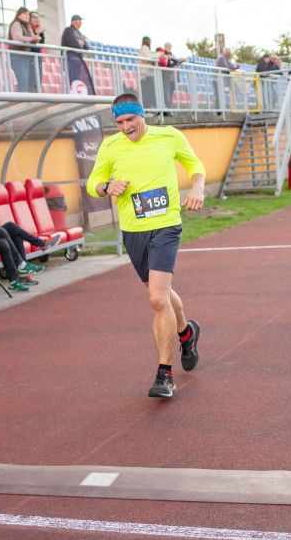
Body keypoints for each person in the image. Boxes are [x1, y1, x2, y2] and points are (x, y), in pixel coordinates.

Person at [86, 93, 206, 399]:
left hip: (165, 225)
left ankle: (164, 375)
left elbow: (195, 165)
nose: (126, 127)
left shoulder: (169, 136)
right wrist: (105, 187)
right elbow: (93, 182)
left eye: (130, 119)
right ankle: (186, 333)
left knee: (156, 298)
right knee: (160, 294)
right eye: (119, 122)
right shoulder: (110, 146)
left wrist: (198, 187)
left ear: (143, 115)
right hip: (133, 230)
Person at [8, 6, 41, 92]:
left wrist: (35, 39)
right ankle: (20, 103)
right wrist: (32, 39)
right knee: (23, 83)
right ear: (19, 15)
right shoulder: (16, 24)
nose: (27, 16)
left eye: (28, 14)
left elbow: (31, 37)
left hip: (25, 58)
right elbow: (17, 38)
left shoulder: (27, 26)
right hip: (17, 57)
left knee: (25, 82)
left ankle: (22, 102)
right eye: (25, 14)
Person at [138, 36, 157, 107]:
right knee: (146, 93)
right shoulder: (144, 48)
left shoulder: (145, 49)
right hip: (145, 75)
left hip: (146, 74)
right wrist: (158, 55)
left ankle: (149, 107)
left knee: (148, 93)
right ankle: (148, 107)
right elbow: (148, 57)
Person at [29, 11, 45, 88]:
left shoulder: (40, 30)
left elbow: (42, 44)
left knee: (38, 80)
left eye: (37, 17)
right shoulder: (27, 29)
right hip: (29, 57)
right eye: (33, 17)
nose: (35, 19)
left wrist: (39, 33)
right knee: (31, 79)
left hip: (37, 57)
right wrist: (36, 34)